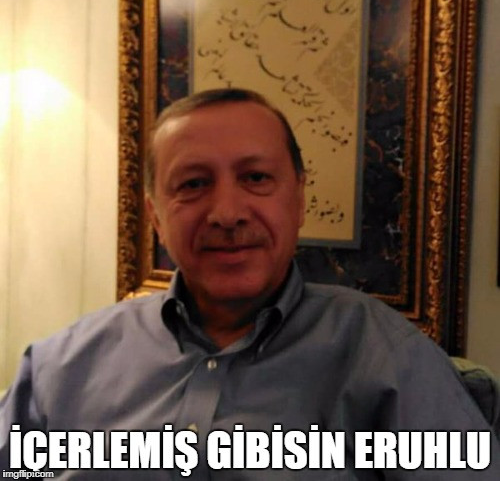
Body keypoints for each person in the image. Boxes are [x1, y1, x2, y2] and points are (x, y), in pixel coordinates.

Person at [0, 88, 499, 479]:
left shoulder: (384, 355)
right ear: (155, 218)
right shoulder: (58, 368)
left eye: (256, 178)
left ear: (299, 199)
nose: (227, 213)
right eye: (193, 184)